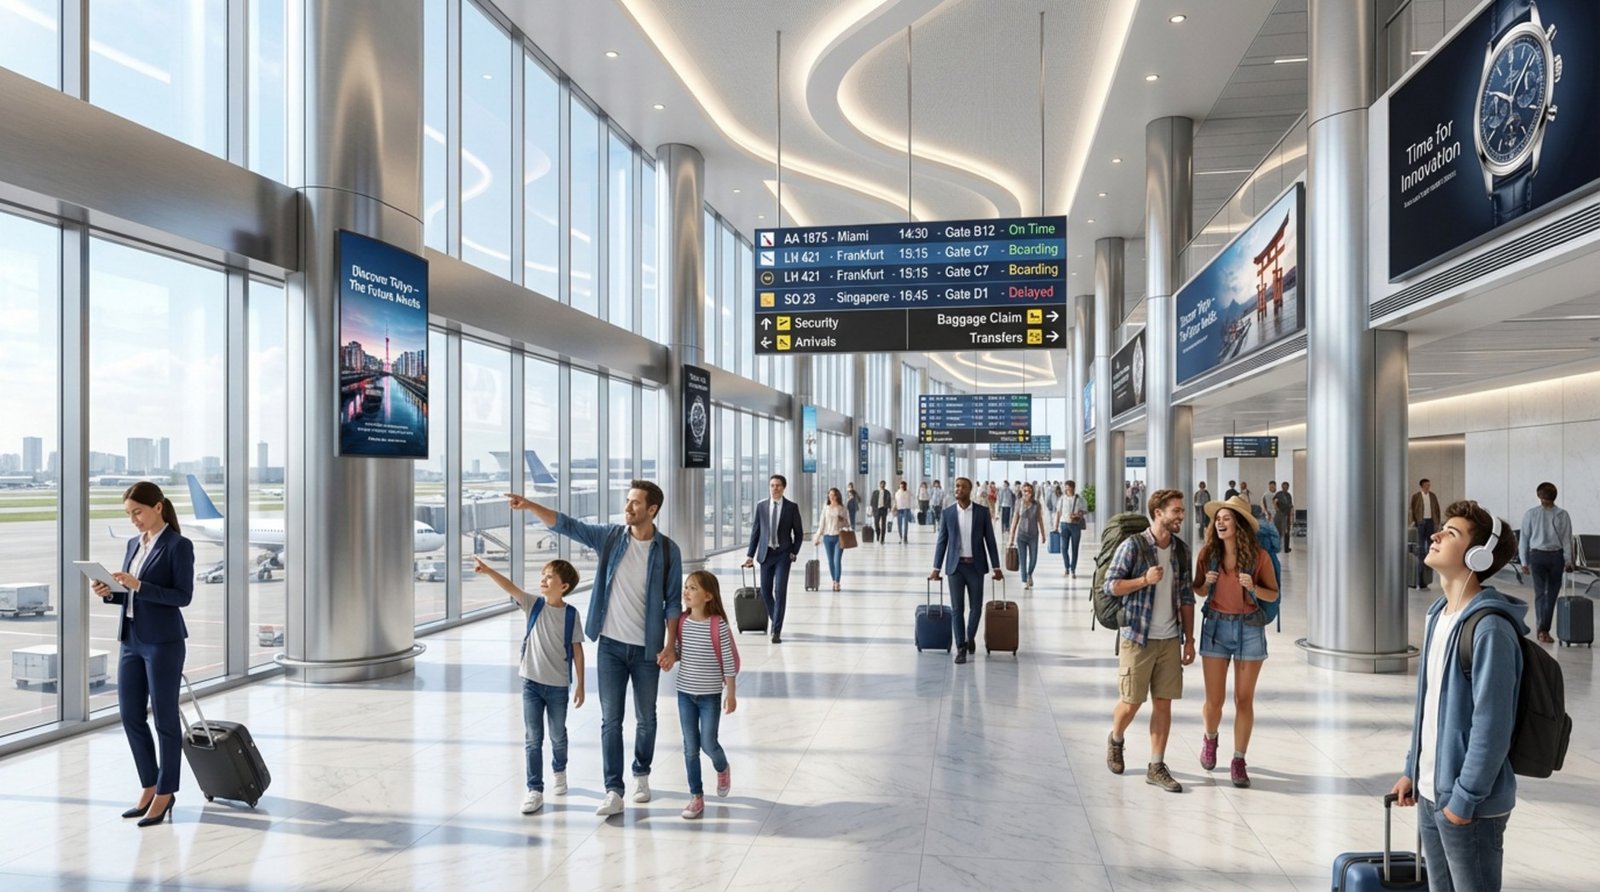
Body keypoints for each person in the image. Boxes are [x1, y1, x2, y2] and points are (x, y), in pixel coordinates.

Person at [506, 481, 682, 817]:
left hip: (647, 649)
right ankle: (614, 790)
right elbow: (569, 525)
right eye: (627, 501)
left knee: (646, 719)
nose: (628, 508)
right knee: (610, 720)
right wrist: (530, 506)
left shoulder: (669, 551)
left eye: (635, 503)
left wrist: (670, 645)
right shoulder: (612, 538)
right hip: (611, 646)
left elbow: (673, 603)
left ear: (652, 510)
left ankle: (641, 774)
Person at [1391, 500, 1525, 892]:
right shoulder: (1438, 615)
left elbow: (1492, 725)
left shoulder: (1490, 630)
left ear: (1477, 556)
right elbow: (1429, 706)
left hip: (1469, 806)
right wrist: (1412, 769)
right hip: (1433, 794)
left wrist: (1464, 801)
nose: (1434, 534)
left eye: (1451, 533)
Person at [93, 482, 194, 827]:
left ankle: (166, 793)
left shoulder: (179, 546)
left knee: (165, 720)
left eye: (137, 511)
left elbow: (182, 596)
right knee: (131, 716)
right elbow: (131, 598)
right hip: (131, 640)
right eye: (129, 514)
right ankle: (149, 786)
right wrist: (110, 592)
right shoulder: (133, 544)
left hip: (164, 643)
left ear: (158, 507)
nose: (133, 519)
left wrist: (139, 586)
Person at [475, 556, 586, 815]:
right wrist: (489, 570)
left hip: (558, 686)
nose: (543, 580)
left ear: (564, 586)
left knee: (557, 735)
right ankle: (535, 788)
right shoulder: (533, 604)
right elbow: (510, 587)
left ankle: (559, 770)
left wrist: (580, 684)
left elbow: (577, 651)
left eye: (549, 577)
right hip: (531, 683)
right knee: (533, 738)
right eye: (543, 575)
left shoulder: (571, 615)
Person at [1102, 489, 1195, 794]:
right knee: (1131, 703)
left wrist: (1189, 639)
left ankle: (1156, 765)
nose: (1181, 516)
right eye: (1176, 511)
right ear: (1158, 513)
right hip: (1138, 636)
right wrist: (1143, 580)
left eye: (1182, 511)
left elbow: (1185, 597)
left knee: (1164, 704)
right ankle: (1116, 739)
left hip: (1170, 638)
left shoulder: (1181, 550)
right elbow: (1111, 586)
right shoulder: (1134, 546)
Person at [1193, 496, 1279, 789]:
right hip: (1215, 627)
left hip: (1250, 629)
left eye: (1226, 518)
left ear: (1239, 524)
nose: (1219, 521)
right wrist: (1206, 582)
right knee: (1214, 701)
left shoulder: (1259, 557)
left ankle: (1239, 759)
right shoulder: (1208, 554)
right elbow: (1199, 591)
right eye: (1218, 518)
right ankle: (1210, 738)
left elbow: (1273, 594)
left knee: (1244, 699)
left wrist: (1253, 587)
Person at [674, 570, 739, 820]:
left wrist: (730, 694)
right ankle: (696, 797)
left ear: (708, 596)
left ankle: (722, 767)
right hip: (685, 694)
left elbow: (729, 663)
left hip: (710, 695)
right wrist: (669, 656)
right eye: (686, 587)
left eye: (693, 588)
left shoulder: (717, 625)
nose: (686, 592)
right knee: (690, 747)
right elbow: (680, 651)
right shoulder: (681, 621)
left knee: (708, 743)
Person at [929, 477, 1003, 665]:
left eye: (962, 487)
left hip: (976, 567)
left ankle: (970, 636)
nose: (958, 489)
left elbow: (990, 541)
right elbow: (942, 542)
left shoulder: (982, 512)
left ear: (970, 490)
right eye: (956, 486)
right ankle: (961, 646)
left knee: (976, 608)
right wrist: (936, 568)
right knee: (956, 609)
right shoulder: (948, 513)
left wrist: (996, 567)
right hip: (955, 567)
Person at [744, 474, 803, 643]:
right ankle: (775, 618)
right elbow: (756, 532)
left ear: (784, 488)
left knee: (780, 591)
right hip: (765, 554)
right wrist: (750, 555)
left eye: (778, 485)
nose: (774, 488)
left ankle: (776, 630)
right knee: (765, 591)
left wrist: (794, 551)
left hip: (783, 554)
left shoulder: (792, 507)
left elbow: (798, 533)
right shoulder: (761, 506)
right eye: (772, 485)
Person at [1519, 482, 1573, 645]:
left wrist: (1524, 561)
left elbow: (1524, 539)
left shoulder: (1534, 514)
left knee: (1545, 595)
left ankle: (1542, 628)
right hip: (1550, 557)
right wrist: (1568, 560)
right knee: (1547, 595)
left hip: (1540, 556)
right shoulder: (1561, 514)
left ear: (1539, 495)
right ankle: (1543, 630)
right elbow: (1566, 540)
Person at [1009, 482, 1047, 590]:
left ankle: (1030, 574)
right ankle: (1024, 580)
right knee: (1022, 559)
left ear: (1032, 492)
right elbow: (1015, 520)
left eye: (1029, 491)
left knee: (1033, 558)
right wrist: (1011, 537)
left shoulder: (1036, 504)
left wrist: (1043, 535)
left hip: (1033, 535)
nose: (1027, 493)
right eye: (1025, 491)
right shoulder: (1018, 503)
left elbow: (1039, 519)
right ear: (1022, 491)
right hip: (1021, 535)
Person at [814, 487, 849, 592]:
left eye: (833, 495)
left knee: (837, 560)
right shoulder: (826, 508)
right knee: (830, 561)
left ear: (837, 496)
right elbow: (821, 524)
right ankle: (834, 580)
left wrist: (842, 519)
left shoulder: (842, 508)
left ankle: (837, 582)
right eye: (830, 495)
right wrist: (817, 537)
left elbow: (847, 524)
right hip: (827, 537)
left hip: (839, 537)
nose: (832, 497)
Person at [1411, 478, 1442, 590]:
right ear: (1422, 486)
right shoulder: (1416, 496)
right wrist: (1413, 522)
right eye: (1426, 485)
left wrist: (1437, 522)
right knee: (1420, 548)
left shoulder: (1432, 496)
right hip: (1421, 522)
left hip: (1430, 522)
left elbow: (1437, 509)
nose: (1428, 487)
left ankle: (1428, 571)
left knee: (1430, 547)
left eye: (1429, 485)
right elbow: (1412, 509)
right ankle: (1420, 577)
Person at [1058, 480, 1088, 577]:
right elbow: (1058, 512)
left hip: (1075, 525)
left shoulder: (1079, 499)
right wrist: (1055, 526)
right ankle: (1066, 567)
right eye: (1065, 487)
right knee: (1063, 548)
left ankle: (1073, 569)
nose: (1067, 488)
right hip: (1064, 524)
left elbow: (1085, 511)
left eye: (1068, 487)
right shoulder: (1062, 498)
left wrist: (1078, 514)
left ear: (1073, 487)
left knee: (1075, 548)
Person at [1272, 482, 1294, 553]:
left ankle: (1286, 548)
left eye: (1287, 486)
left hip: (1287, 514)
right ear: (1282, 487)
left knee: (1287, 531)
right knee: (1278, 531)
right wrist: (1277, 509)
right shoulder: (1278, 494)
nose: (1285, 487)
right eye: (1284, 486)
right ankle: (1276, 547)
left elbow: (1290, 506)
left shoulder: (1288, 495)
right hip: (1280, 514)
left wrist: (1291, 516)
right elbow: (1274, 502)